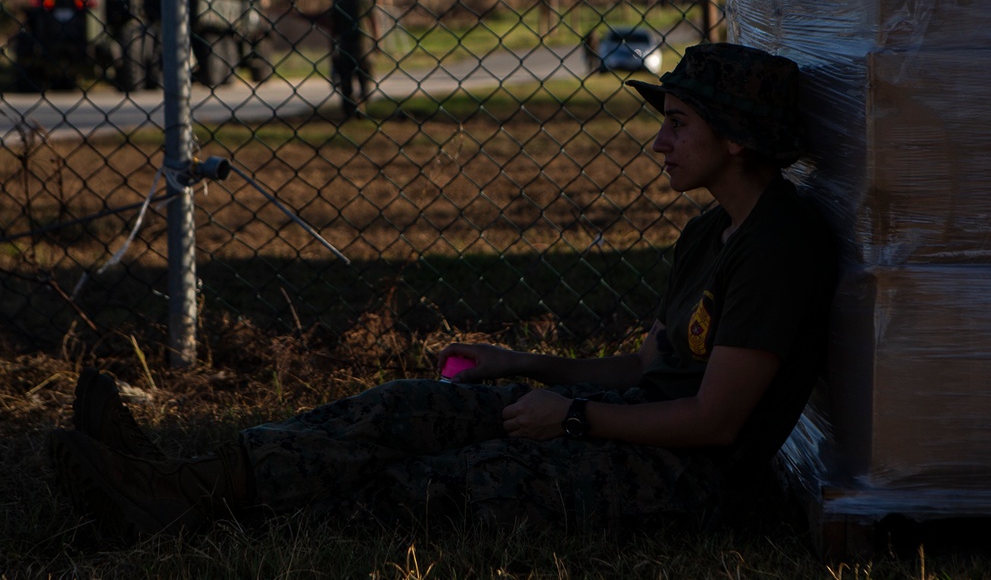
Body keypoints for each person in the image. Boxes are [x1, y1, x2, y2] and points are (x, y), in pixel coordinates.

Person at [49, 43, 838, 539]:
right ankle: (182, 476)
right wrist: (521, 362)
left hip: (685, 481)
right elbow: (646, 362)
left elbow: (714, 420)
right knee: (407, 407)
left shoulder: (779, 248)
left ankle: (186, 509)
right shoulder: (710, 229)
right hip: (624, 423)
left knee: (432, 485)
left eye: (678, 126)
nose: (659, 143)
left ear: (736, 140)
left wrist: (569, 419)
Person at [306, 0, 379, 118]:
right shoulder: (364, 1)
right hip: (363, 45)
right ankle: (361, 104)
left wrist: (332, 47)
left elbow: (333, 28)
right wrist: (377, 41)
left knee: (346, 82)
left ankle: (349, 109)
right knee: (365, 80)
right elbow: (374, 23)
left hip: (345, 46)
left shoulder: (339, 3)